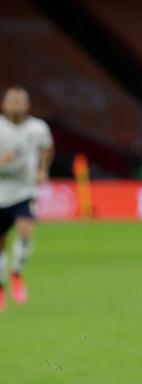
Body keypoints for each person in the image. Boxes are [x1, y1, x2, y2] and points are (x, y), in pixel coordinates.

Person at [0, 86, 53, 311]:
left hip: (25, 190)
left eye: (22, 100)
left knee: (25, 231)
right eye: (13, 100)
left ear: (28, 105)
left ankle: (17, 273)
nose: (17, 103)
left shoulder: (38, 127)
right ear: (4, 104)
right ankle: (1, 287)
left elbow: (47, 148)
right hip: (1, 192)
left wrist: (43, 169)